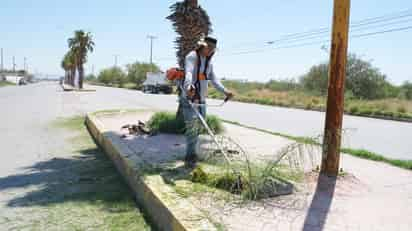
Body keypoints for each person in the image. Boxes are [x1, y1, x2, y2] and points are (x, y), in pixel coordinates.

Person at [180, 36, 233, 167]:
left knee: (199, 127)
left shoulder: (209, 62)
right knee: (192, 126)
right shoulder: (192, 56)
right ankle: (190, 156)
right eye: (209, 48)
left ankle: (192, 152)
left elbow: (214, 80)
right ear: (202, 46)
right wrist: (188, 87)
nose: (211, 51)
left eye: (213, 49)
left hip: (201, 101)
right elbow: (188, 73)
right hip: (190, 99)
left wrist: (225, 91)